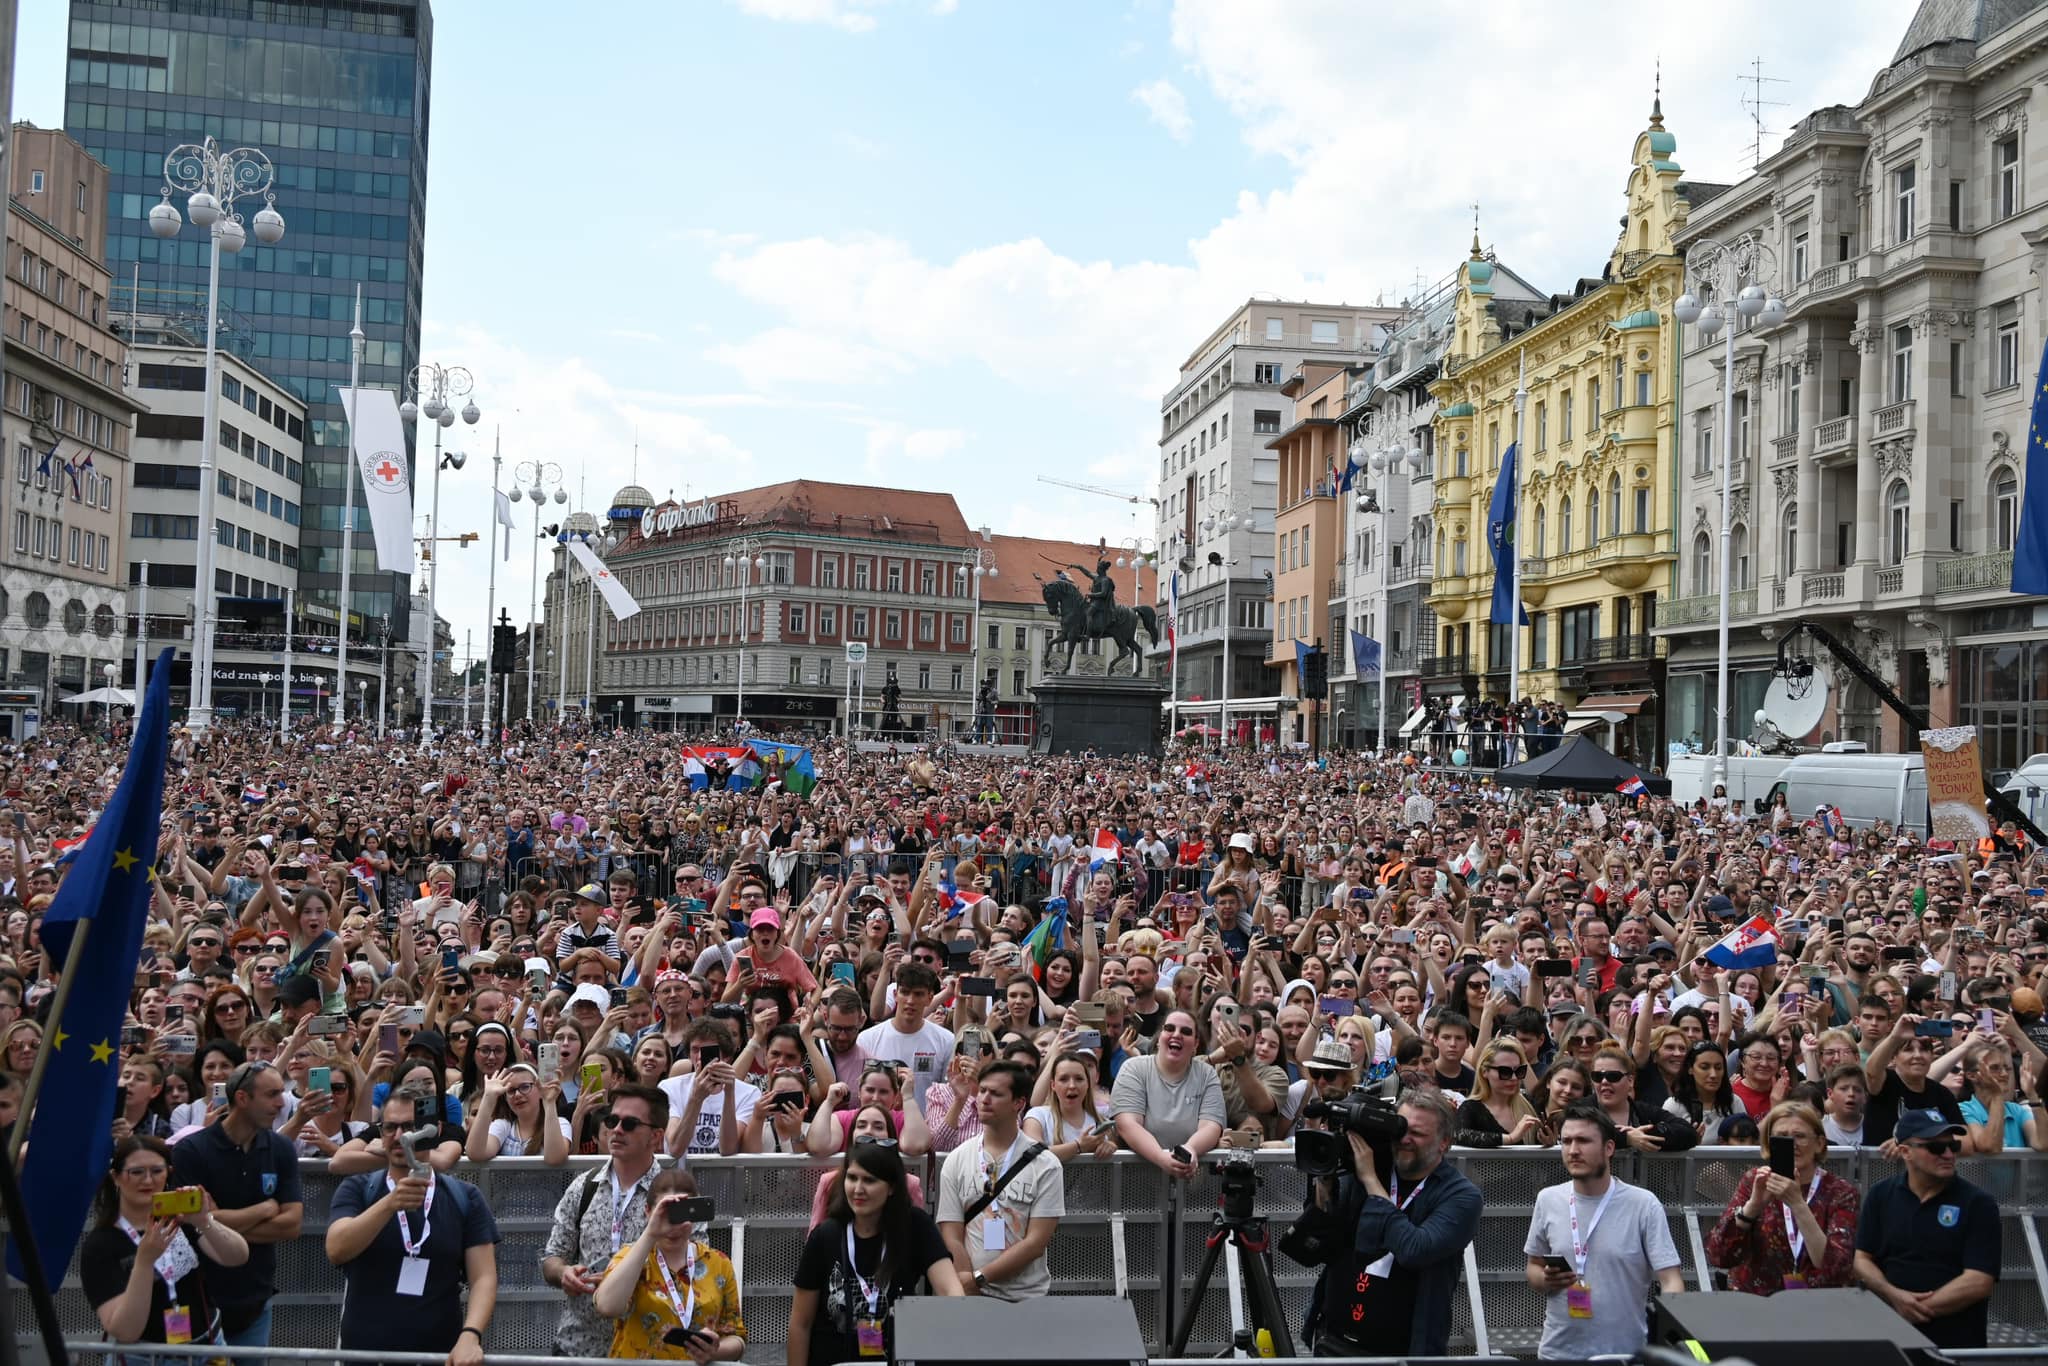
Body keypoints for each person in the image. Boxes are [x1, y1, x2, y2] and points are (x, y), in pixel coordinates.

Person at [324, 1080, 500, 1366]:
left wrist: (471, 1334)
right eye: (390, 1127)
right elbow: (336, 1248)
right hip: (364, 1355)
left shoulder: (464, 1196)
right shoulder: (358, 1189)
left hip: (438, 1354)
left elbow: (483, 1277)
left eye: (410, 1127)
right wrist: (389, 1204)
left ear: (434, 1131)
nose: (399, 1137)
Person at [1300, 1088, 1481, 1357]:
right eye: (1400, 1130)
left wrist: (1371, 1181)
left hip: (1407, 1349)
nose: (1404, 1140)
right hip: (1333, 1338)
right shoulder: (1363, 1170)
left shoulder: (1461, 1195)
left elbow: (1415, 1249)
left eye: (1417, 1134)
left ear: (1444, 1142)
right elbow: (1317, 1244)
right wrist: (1325, 1183)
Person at [1523, 1103, 1682, 1361]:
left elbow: (1670, 1279)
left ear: (1609, 1148)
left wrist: (1671, 1335)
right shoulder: (1548, 1199)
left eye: (1584, 1141)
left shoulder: (1643, 1204)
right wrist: (1545, 1280)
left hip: (1623, 1354)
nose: (1573, 1150)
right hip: (1558, 1353)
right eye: (1566, 1141)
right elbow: (1533, 1266)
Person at [787, 1138, 964, 1366]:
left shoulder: (914, 1225)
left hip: (897, 1358)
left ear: (891, 1187)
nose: (858, 1189)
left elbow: (951, 1289)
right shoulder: (826, 1235)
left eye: (869, 1180)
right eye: (852, 1178)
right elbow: (800, 1323)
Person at [168, 1059, 302, 1354]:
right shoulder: (191, 1150)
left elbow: (292, 1225)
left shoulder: (279, 1149)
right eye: (272, 1094)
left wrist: (213, 1221)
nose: (281, 1103)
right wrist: (264, 1210)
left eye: (282, 1093)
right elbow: (188, 1223)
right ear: (242, 1098)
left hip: (254, 1302)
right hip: (193, 1302)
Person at [80, 1135, 250, 1365]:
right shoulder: (102, 1244)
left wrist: (204, 1221)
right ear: (116, 1177)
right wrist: (144, 1262)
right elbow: (125, 1330)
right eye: (136, 1172)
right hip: (143, 1357)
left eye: (157, 1171)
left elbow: (237, 1256)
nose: (148, 1180)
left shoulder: (180, 1220)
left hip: (205, 1347)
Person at [542, 1083, 670, 1357]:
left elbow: (696, 1272)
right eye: (612, 1120)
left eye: (630, 1123)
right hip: (578, 1348)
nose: (617, 1130)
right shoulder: (583, 1186)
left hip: (650, 1353)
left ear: (656, 1137)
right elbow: (552, 1258)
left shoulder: (673, 1196)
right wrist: (563, 1273)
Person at [1854, 1109, 2001, 1349]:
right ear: (1905, 1152)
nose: (1947, 1154)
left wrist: (1914, 1309)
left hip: (1955, 1342)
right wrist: (1893, 1296)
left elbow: (1979, 1280)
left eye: (1952, 1146)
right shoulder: (1880, 1195)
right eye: (1935, 1148)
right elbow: (1861, 1259)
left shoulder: (1978, 1203)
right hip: (1891, 1341)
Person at [936, 1059, 1064, 1301]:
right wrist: (966, 1281)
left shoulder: (1046, 1165)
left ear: (1019, 1102)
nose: (984, 1099)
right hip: (970, 1296)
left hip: (1027, 1297)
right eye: (982, 1090)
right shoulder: (957, 1159)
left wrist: (980, 1277)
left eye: (995, 1094)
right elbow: (951, 1233)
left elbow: (1037, 1242)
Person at [589, 1167, 746, 1362]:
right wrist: (651, 1234)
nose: (673, 1225)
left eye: (681, 1213)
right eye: (665, 1213)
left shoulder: (718, 1263)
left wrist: (715, 1350)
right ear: (648, 1212)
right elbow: (607, 1306)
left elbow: (736, 1336)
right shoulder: (631, 1257)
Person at [1705, 1101, 1860, 1293]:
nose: (1792, 1144)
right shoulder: (1755, 1181)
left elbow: (1837, 1270)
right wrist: (1752, 1208)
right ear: (1768, 1144)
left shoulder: (1841, 1192)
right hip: (1757, 1304)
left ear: (1819, 1143)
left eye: (1800, 1136)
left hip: (1816, 1306)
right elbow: (1719, 1255)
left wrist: (1798, 1204)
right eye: (1782, 1137)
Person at [1110, 1008, 1225, 1179]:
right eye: (1169, 1029)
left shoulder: (1207, 1074)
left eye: (1186, 1032)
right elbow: (1127, 1125)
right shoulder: (1133, 1068)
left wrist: (1190, 1149)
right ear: (1158, 1039)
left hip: (1191, 1182)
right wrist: (1161, 1157)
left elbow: (1211, 1126)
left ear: (1195, 1044)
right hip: (1136, 1181)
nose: (1176, 1035)